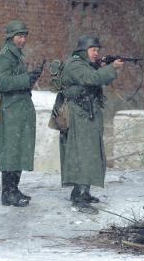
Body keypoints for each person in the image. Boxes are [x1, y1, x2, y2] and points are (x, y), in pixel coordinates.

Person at [59, 35, 124, 214]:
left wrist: (107, 68)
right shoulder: (74, 64)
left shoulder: (86, 64)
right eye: (93, 50)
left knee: (92, 153)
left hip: (89, 114)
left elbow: (98, 78)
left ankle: (82, 191)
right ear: (83, 50)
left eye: (97, 50)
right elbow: (90, 79)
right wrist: (111, 68)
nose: (96, 53)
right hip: (79, 115)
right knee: (83, 154)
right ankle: (80, 198)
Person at [0, 20, 43, 207]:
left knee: (19, 149)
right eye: (19, 36)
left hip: (19, 109)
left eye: (24, 36)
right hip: (11, 110)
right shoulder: (5, 56)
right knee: (11, 151)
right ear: (10, 37)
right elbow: (2, 82)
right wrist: (26, 78)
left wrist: (31, 77)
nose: (23, 40)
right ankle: (8, 193)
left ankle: (14, 188)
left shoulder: (16, 55)